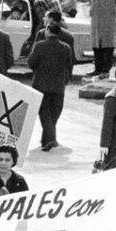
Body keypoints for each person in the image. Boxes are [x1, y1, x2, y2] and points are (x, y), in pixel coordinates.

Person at [28, 22, 73, 151]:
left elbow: (31, 63)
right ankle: (47, 140)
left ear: (48, 30)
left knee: (44, 113)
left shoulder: (39, 46)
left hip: (41, 85)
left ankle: (50, 139)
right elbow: (69, 64)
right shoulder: (66, 48)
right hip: (58, 86)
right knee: (54, 114)